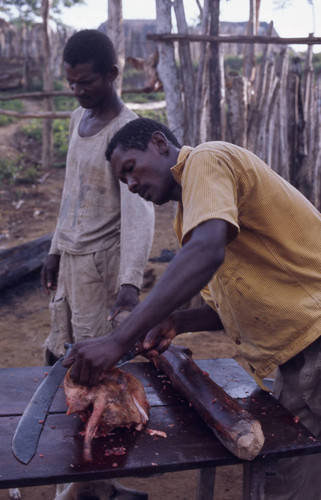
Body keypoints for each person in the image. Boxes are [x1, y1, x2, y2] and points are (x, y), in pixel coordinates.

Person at [63, 117, 321, 499]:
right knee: (290, 479)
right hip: (294, 355)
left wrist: (118, 340)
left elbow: (206, 252)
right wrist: (178, 320)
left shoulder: (207, 159)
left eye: (131, 169)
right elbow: (228, 305)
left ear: (159, 143)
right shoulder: (192, 216)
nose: (131, 186)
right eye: (124, 182)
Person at [41, 33, 154, 500]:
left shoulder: (126, 133)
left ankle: (89, 483)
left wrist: (129, 282)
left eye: (86, 81)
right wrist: (53, 247)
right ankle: (95, 482)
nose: (78, 90)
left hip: (102, 269)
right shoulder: (77, 120)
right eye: (70, 82)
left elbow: (140, 213)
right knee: (59, 358)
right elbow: (71, 196)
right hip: (70, 264)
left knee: (93, 374)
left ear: (113, 73)